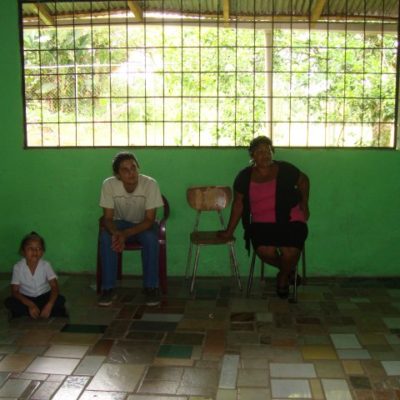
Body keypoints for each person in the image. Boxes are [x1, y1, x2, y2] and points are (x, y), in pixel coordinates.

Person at [219, 136, 310, 299]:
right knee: (265, 251)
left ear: (272, 152)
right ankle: (288, 270)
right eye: (259, 151)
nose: (265, 155)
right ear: (252, 155)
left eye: (268, 151)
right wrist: (229, 231)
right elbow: (238, 204)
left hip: (290, 219)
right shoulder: (244, 176)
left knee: (290, 251)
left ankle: (283, 277)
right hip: (262, 223)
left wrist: (304, 203)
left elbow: (304, 180)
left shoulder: (285, 169)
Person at [98, 151, 164, 307]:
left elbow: (150, 220)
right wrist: (116, 233)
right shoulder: (109, 184)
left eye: (133, 167)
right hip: (119, 223)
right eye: (125, 170)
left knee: (150, 238)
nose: (131, 173)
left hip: (143, 224)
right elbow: (108, 218)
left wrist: (124, 234)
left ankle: (151, 287)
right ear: (117, 174)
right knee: (106, 237)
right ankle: (108, 289)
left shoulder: (150, 184)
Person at [4, 232, 67, 319]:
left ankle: (37, 312)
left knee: (60, 299)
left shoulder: (46, 265)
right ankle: (40, 311)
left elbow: (54, 287)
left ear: (42, 252)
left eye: (38, 248)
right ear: (23, 251)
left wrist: (49, 304)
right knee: (9, 302)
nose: (35, 251)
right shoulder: (18, 267)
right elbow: (15, 291)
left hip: (44, 297)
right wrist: (30, 304)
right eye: (30, 248)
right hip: (26, 299)